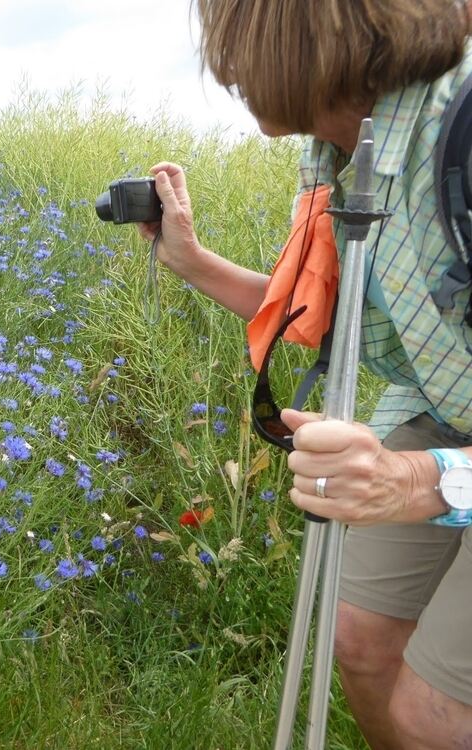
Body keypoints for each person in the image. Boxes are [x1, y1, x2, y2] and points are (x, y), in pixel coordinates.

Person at [138, 2, 472, 748]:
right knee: (358, 640)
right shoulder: (342, 153)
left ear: (301, 37)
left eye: (233, 37)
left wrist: (415, 482)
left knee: (434, 711)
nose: (226, 70)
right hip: (448, 406)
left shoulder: (462, 132)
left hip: (452, 452)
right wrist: (190, 259)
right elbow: (322, 312)